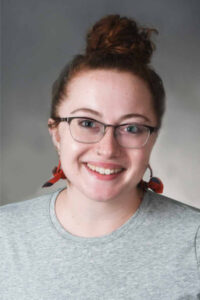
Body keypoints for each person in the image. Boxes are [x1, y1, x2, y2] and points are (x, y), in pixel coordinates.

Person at [0, 14, 200, 299]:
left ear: (152, 139)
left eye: (131, 127)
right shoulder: (5, 236)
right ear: (56, 133)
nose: (107, 148)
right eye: (87, 123)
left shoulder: (195, 242)